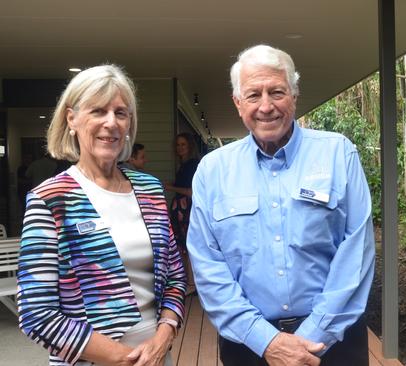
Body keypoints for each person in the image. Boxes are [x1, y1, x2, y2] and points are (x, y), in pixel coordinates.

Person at [187, 44, 375, 366]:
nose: (266, 106)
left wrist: (312, 337)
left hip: (333, 344)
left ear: (294, 95)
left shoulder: (338, 154)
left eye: (276, 92)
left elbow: (356, 252)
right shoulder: (212, 171)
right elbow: (207, 264)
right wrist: (267, 341)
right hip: (249, 347)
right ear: (237, 103)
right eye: (253, 95)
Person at [17, 64, 187, 366]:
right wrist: (127, 360)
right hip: (92, 360)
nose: (111, 123)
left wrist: (163, 338)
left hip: (159, 356)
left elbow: (174, 277)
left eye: (121, 113)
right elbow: (37, 314)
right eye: (98, 111)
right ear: (72, 118)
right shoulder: (51, 198)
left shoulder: (149, 189)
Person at [165, 133, 200, 291]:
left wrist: (170, 187)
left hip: (186, 209)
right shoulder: (184, 164)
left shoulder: (192, 165)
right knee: (182, 246)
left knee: (188, 245)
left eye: (183, 145)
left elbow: (191, 191)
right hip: (180, 209)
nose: (180, 148)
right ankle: (189, 282)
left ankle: (192, 283)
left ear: (190, 146)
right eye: (178, 145)